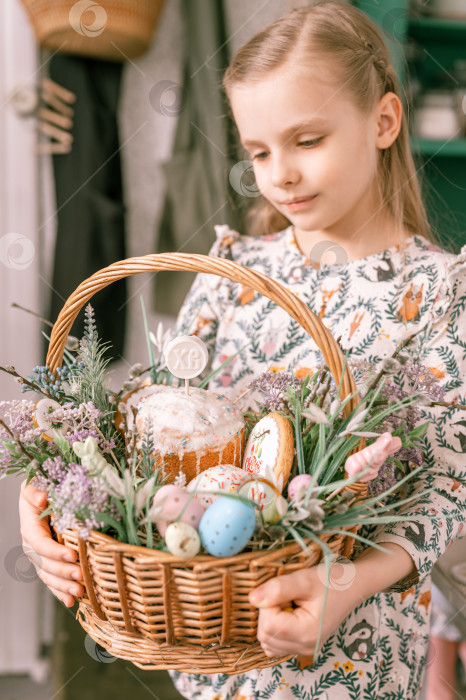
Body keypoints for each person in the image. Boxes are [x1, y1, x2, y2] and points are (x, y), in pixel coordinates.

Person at [19, 2, 466, 698]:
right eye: (258, 152)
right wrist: (41, 497)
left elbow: (446, 491)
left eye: (307, 140)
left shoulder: (438, 292)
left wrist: (346, 585)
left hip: (354, 657)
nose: (279, 174)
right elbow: (146, 425)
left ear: (383, 121)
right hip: (218, 657)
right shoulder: (234, 277)